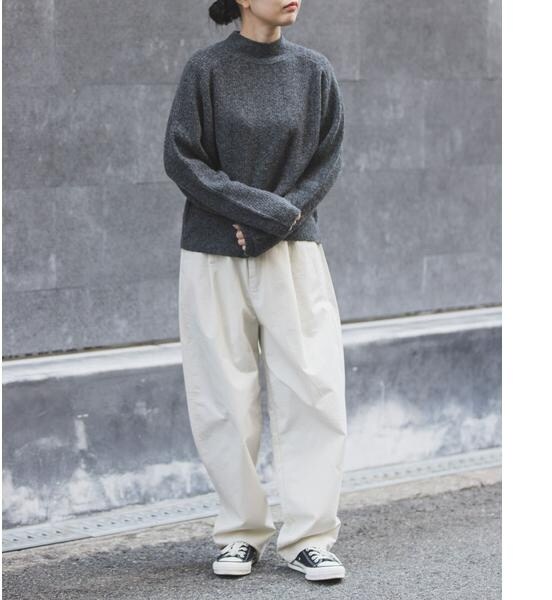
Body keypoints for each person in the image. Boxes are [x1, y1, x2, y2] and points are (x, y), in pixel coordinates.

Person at [163, 0, 348, 582]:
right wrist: (262, 213)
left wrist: (276, 220)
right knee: (222, 395)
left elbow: (327, 160)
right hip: (215, 253)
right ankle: (240, 533)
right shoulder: (206, 70)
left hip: (293, 251)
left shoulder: (313, 71)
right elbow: (182, 159)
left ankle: (310, 537)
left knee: (314, 388)